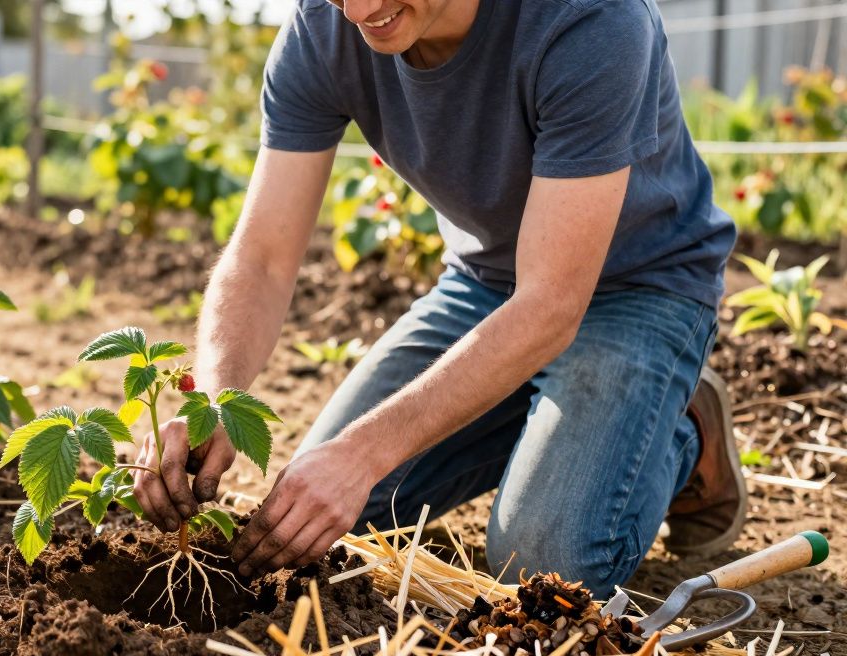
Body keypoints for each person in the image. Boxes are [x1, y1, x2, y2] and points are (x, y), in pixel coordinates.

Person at [129, 0, 747, 597]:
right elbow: (261, 258)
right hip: (483, 287)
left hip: (639, 289)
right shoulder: (322, 26)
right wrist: (213, 395)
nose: (359, 10)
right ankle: (544, 418)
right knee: (329, 529)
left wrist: (364, 452)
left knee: (544, 567)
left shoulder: (588, 20)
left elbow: (551, 304)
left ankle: (681, 429)